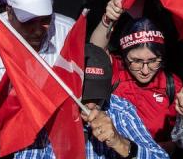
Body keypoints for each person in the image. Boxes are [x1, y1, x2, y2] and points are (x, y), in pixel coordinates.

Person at [13, 44, 168, 158]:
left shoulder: (120, 110)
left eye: (97, 96)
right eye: (85, 97)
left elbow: (160, 156)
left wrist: (120, 143)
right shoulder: (46, 113)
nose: (91, 105)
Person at [90, 9, 183, 153]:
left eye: (153, 61)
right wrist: (107, 20)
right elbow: (95, 51)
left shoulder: (172, 86)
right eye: (136, 61)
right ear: (124, 56)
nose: (145, 71)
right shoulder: (115, 71)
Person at [0, 0, 76, 98]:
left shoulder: (69, 29)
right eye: (29, 22)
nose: (38, 31)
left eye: (45, 20)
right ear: (9, 13)